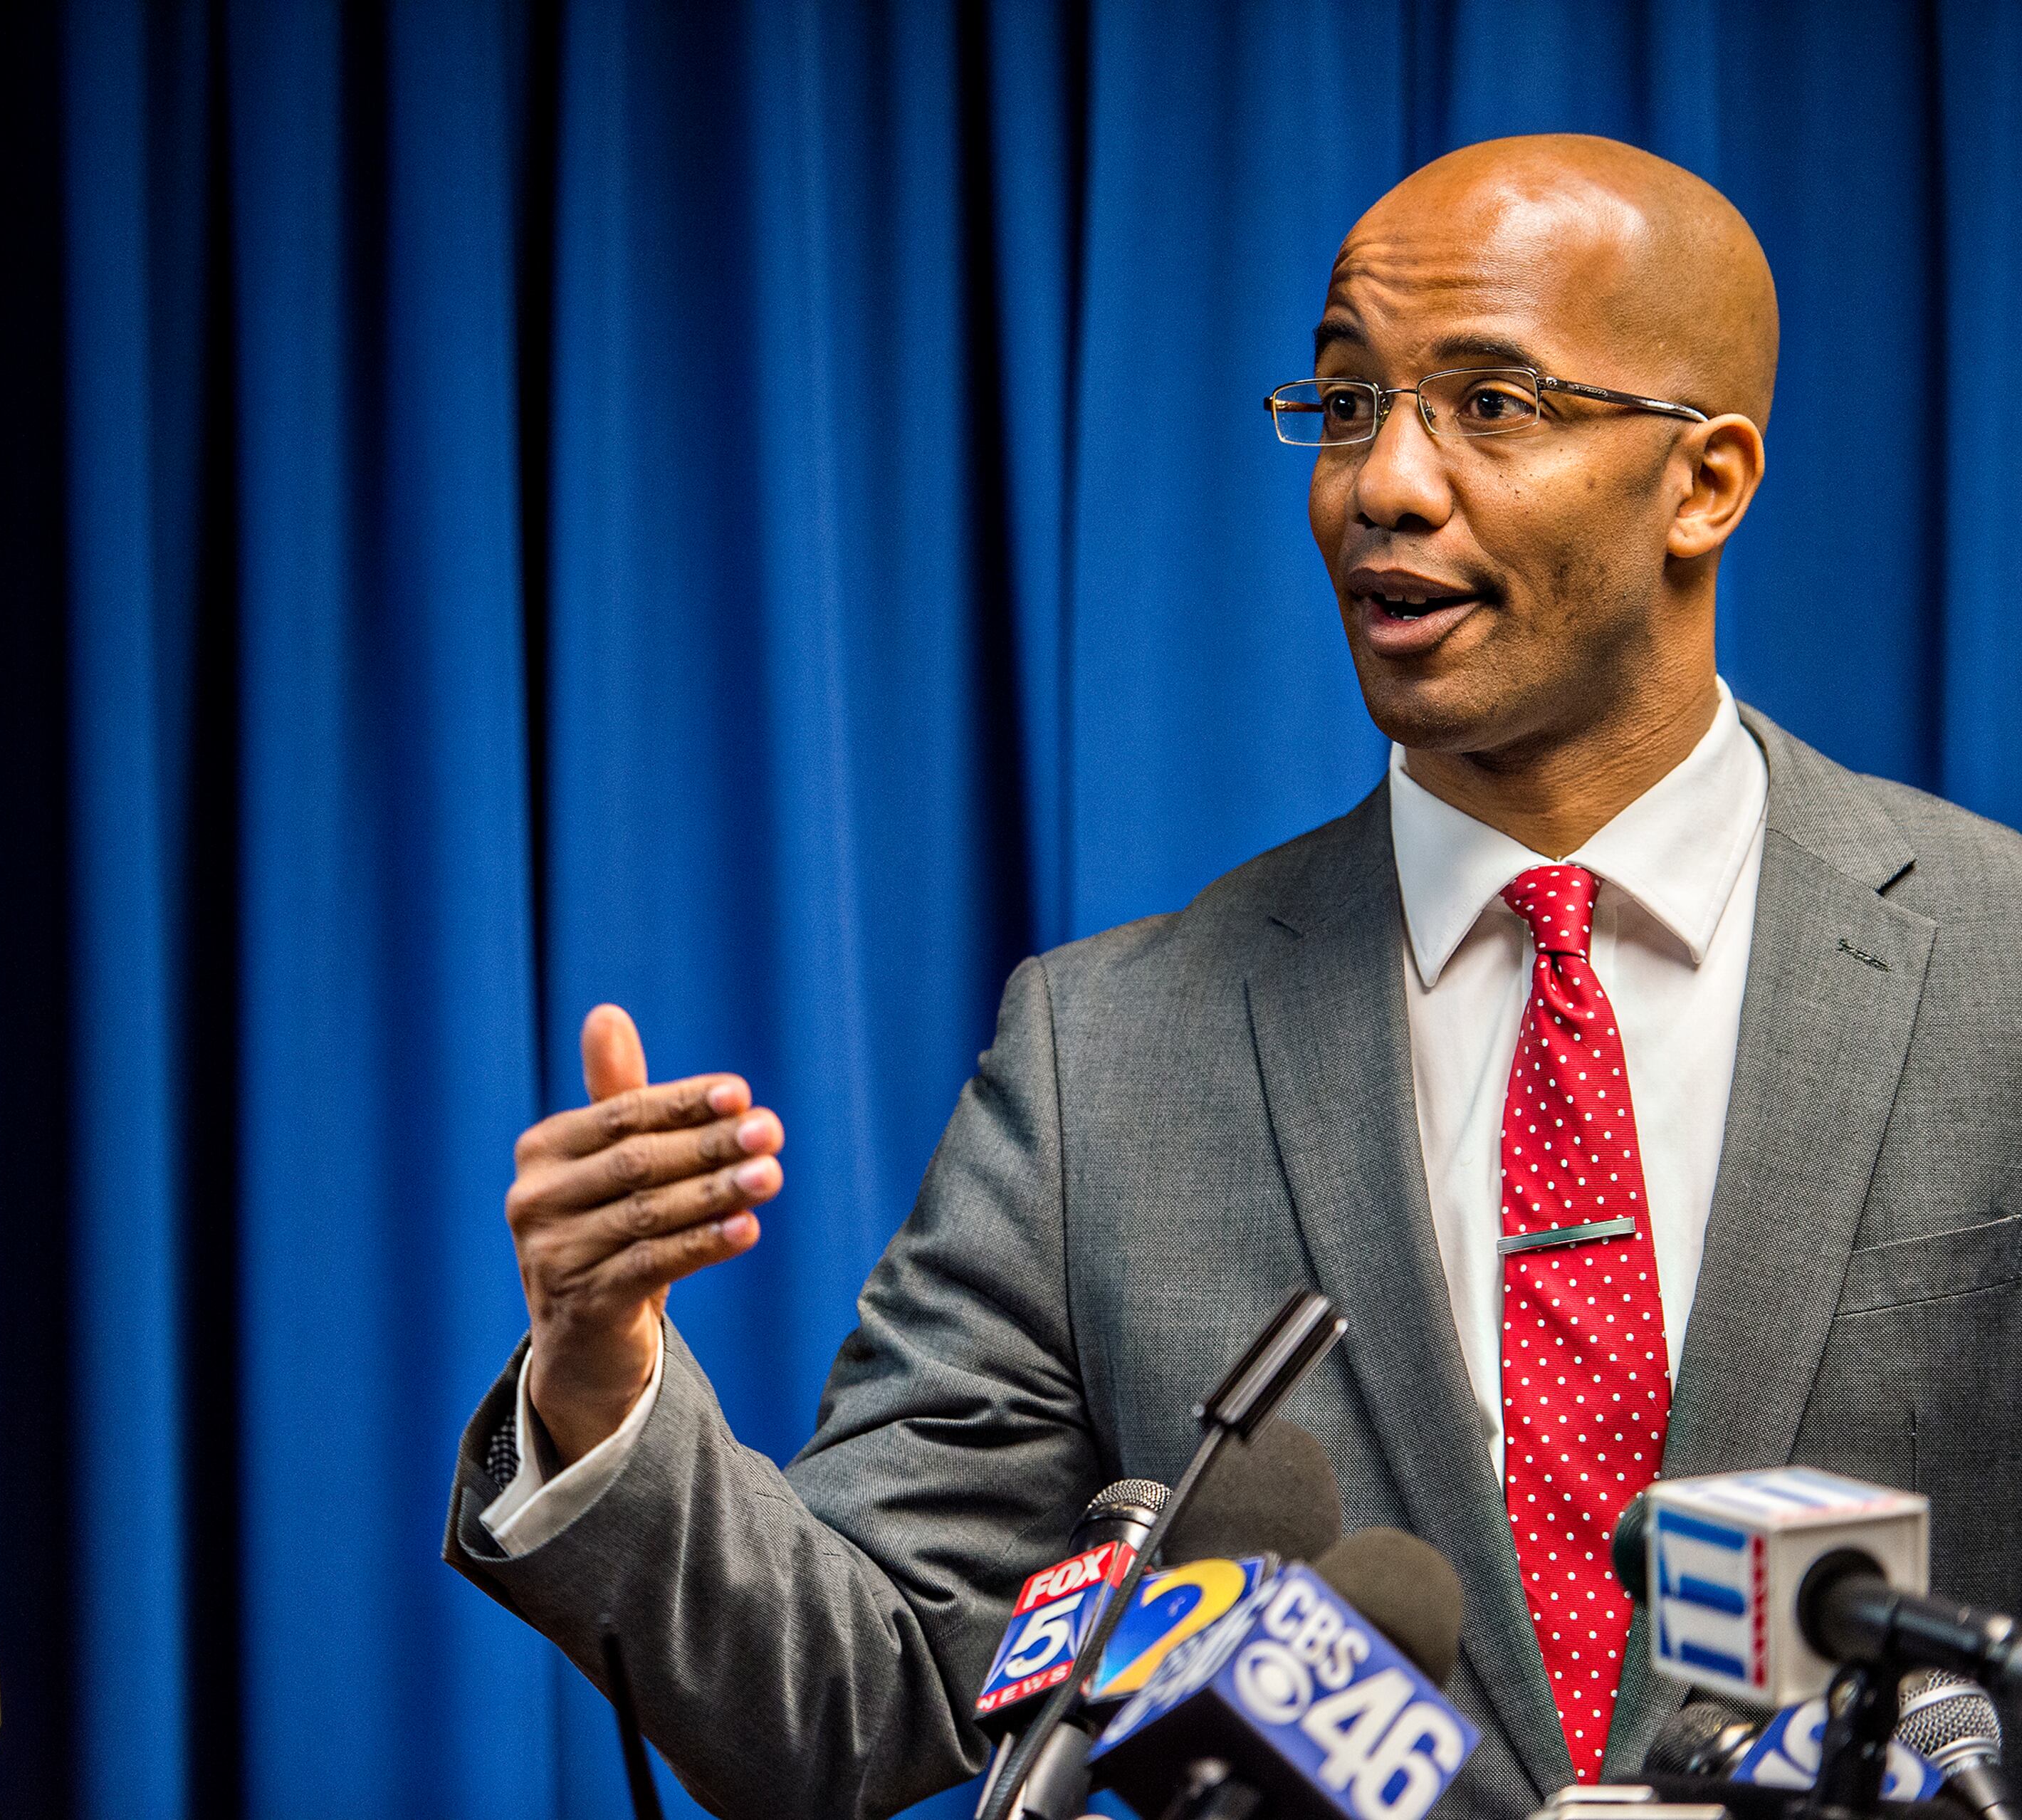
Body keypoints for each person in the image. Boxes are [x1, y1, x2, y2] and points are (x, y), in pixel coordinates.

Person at [443, 132, 2022, 1819]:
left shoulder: (1997, 967)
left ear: (1704, 482)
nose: (1385, 486)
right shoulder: (1106, 1058)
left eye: (1492, 405)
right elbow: (855, 1687)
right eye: (1346, 404)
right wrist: (601, 1379)